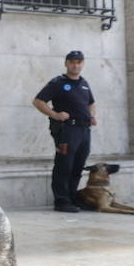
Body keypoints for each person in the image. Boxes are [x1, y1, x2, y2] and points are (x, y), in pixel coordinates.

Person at [32, 50, 96, 213]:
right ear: (66, 63)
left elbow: (91, 103)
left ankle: (72, 197)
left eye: (79, 62)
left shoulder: (84, 83)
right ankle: (61, 200)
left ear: (83, 64)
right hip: (67, 130)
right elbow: (38, 101)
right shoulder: (58, 82)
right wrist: (54, 114)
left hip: (84, 130)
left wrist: (92, 115)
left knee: (78, 165)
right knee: (64, 165)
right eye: (72, 62)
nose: (76, 65)